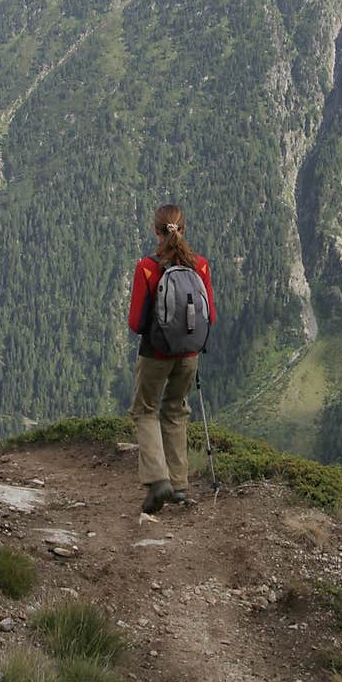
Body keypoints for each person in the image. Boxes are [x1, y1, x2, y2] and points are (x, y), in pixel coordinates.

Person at [127, 203, 216, 513]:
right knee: (177, 410)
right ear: (184, 229)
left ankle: (157, 480)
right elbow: (210, 315)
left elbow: (136, 323)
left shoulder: (147, 268)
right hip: (190, 353)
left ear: (156, 231)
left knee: (145, 409)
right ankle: (179, 485)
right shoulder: (201, 266)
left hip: (155, 353)